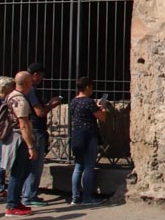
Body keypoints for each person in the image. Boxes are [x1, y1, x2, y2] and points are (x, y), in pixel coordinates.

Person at [22, 62, 62, 207]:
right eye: (41, 76)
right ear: (35, 75)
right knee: (35, 165)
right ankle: (29, 196)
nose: (41, 80)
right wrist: (52, 104)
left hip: (31, 128)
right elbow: (39, 112)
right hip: (36, 129)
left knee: (30, 164)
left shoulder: (23, 90)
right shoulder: (31, 91)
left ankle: (27, 193)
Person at [3, 71, 39, 217]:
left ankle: (15, 202)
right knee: (18, 172)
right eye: (30, 82)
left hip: (12, 136)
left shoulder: (9, 96)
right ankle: (12, 205)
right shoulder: (21, 101)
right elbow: (23, 124)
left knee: (19, 171)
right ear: (25, 84)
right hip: (19, 139)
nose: (32, 85)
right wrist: (31, 146)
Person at [69, 77, 106, 206]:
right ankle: (87, 197)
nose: (92, 89)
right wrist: (102, 109)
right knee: (89, 166)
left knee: (78, 166)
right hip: (89, 135)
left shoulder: (73, 101)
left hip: (77, 135)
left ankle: (75, 197)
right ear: (87, 87)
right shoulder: (88, 102)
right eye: (91, 87)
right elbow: (101, 118)